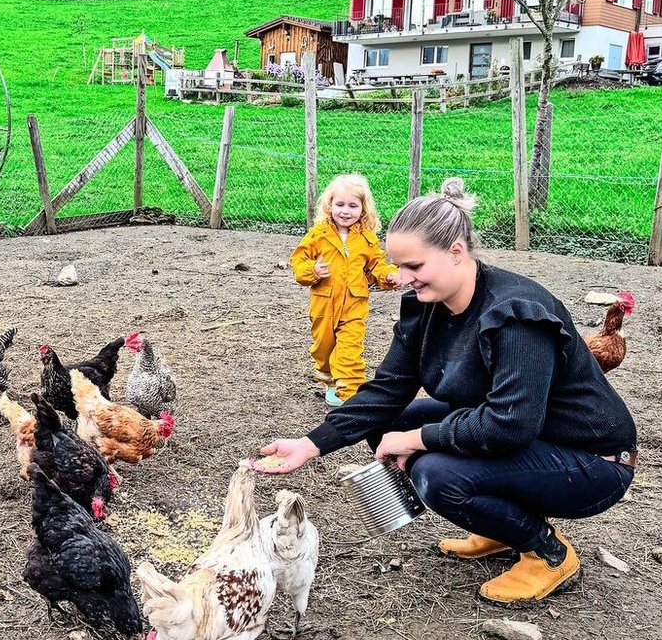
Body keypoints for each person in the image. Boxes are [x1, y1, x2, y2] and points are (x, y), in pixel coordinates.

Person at [257, 178, 637, 604]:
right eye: (398, 266)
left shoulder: (516, 316)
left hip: (589, 460)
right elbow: (387, 390)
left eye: (414, 267)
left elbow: (511, 424)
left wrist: (418, 439)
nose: (402, 278)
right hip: (528, 436)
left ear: (456, 251)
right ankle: (501, 527)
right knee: (387, 426)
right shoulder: (429, 307)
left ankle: (548, 553)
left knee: (437, 474)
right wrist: (311, 444)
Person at [290, 174, 400, 408]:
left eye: (353, 205)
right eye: (340, 204)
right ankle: (330, 380)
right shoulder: (318, 235)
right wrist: (312, 270)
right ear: (329, 205)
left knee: (350, 349)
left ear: (363, 208)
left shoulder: (367, 239)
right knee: (324, 348)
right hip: (324, 304)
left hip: (354, 305)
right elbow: (298, 262)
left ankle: (351, 393)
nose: (345, 211)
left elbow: (376, 265)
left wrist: (388, 275)